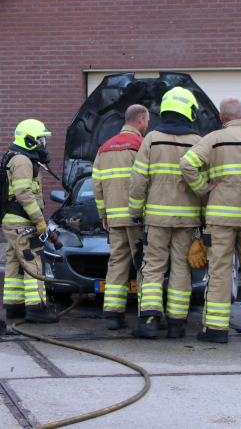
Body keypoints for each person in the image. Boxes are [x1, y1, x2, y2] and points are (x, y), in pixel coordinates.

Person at [180, 98, 241, 344]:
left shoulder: (212, 139)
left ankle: (216, 330)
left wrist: (203, 189)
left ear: (222, 118)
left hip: (221, 217)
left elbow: (187, 164)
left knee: (220, 270)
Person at [128, 88, 203, 339]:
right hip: (187, 220)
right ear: (189, 111)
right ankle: (177, 324)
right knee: (182, 267)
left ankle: (149, 320)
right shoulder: (198, 142)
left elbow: (138, 179)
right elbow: (205, 182)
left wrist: (135, 211)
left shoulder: (152, 139)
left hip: (157, 220)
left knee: (153, 267)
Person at [92, 104, 150, 330]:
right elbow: (147, 180)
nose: (147, 126)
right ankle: (148, 313)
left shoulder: (104, 148)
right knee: (145, 264)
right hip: (138, 217)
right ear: (140, 120)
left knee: (117, 263)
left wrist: (103, 214)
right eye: (147, 122)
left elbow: (96, 185)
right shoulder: (141, 145)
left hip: (115, 219)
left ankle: (113, 315)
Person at [1, 119, 58, 323]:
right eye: (41, 140)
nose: (44, 144)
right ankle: (36, 309)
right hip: (22, 222)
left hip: (13, 221)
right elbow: (23, 193)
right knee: (32, 260)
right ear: (30, 141)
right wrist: (39, 220)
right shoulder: (23, 161)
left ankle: (14, 306)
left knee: (16, 261)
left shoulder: (14, 158)